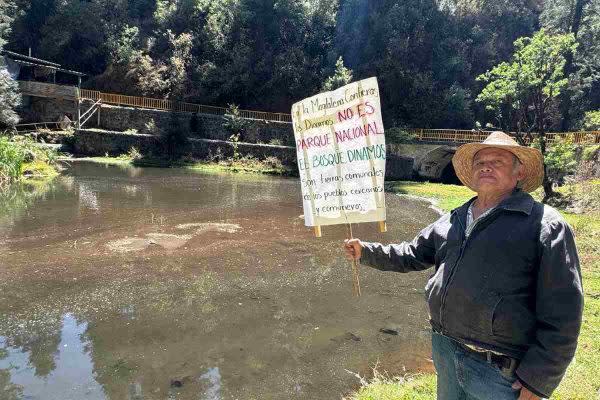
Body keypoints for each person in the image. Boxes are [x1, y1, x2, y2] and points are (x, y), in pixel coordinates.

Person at [343, 131, 583, 400]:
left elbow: (564, 312)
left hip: (500, 373)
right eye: (480, 163)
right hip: (445, 349)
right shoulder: (453, 219)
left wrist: (538, 380)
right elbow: (411, 253)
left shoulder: (545, 226)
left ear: (519, 173)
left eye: (498, 161)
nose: (486, 166)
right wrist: (366, 251)